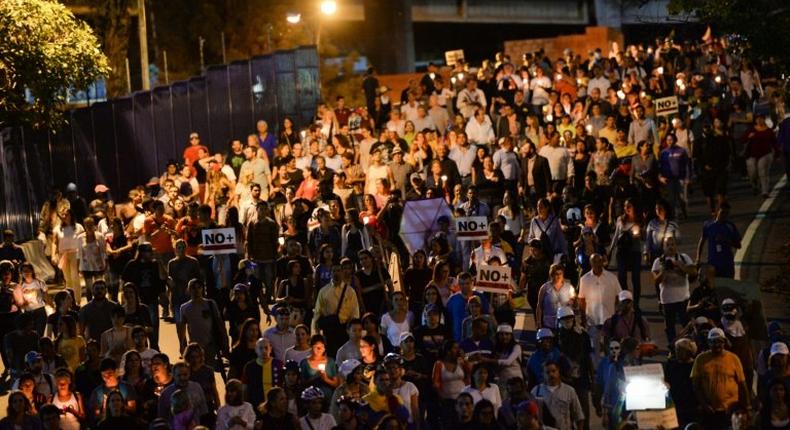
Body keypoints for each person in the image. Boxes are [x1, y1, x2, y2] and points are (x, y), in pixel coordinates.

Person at [691, 327, 752, 428]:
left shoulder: (733, 358)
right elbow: (696, 386)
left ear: (724, 342)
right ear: (708, 343)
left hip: (731, 410)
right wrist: (704, 404)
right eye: (713, 342)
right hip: (710, 411)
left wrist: (748, 407)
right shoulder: (700, 359)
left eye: (719, 341)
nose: (716, 345)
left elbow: (742, 384)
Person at [652, 235, 695, 344]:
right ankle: (672, 347)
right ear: (663, 247)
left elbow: (694, 272)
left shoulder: (684, 258)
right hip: (667, 301)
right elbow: (656, 281)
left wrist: (681, 266)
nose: (670, 247)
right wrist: (664, 270)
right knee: (669, 327)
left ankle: (689, 346)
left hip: (683, 299)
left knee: (687, 325)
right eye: (668, 245)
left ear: (676, 246)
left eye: (672, 244)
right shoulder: (658, 261)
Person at [177, 278, 229, 369]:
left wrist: (225, 340)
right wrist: (181, 345)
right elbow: (182, 328)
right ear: (189, 290)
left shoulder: (210, 304)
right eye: (193, 288)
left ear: (202, 289)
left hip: (210, 344)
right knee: (195, 369)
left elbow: (220, 323)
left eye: (199, 287)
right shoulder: (184, 308)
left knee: (208, 369)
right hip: (194, 346)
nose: (196, 290)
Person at [577, 254, 621, 360]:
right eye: (594, 262)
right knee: (594, 348)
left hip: (609, 320)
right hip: (592, 320)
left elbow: (618, 296)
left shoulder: (612, 278)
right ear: (591, 263)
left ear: (603, 262)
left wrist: (617, 315)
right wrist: (583, 319)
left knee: (610, 347)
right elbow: (581, 300)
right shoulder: (584, 279)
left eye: (599, 261)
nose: (597, 264)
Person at [312, 265, 360, 357]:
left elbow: (355, 311)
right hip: (329, 329)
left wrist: (352, 329)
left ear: (342, 273)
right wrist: (316, 332)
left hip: (344, 329)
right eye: (333, 271)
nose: (336, 273)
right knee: (331, 355)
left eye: (338, 271)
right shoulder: (323, 291)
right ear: (330, 273)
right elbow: (317, 312)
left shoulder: (350, 291)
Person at [531, 360, 584, 430]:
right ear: (543, 374)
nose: (551, 375)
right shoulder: (536, 391)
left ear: (558, 371)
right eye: (547, 372)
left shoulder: (569, 391)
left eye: (553, 371)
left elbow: (579, 415)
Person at [695, 202, 741, 279]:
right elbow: (702, 241)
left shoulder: (730, 226)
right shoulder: (708, 225)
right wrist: (698, 259)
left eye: (727, 213)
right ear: (717, 211)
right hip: (713, 264)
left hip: (727, 265)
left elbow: (738, 245)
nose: (724, 215)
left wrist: (726, 240)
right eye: (722, 212)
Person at [87, 358, 137, 424]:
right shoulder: (97, 392)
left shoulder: (126, 388)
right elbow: (95, 415)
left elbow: (133, 409)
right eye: (104, 376)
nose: (107, 378)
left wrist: (118, 405)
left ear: (116, 372)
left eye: (109, 374)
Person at [158, 361, 208, 426]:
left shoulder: (197, 387)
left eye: (185, 374)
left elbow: (203, 410)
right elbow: (162, 417)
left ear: (189, 374)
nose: (182, 378)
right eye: (179, 375)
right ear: (173, 375)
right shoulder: (166, 393)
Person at [242, 337, 283, 409]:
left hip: (276, 407)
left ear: (270, 349)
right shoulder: (250, 367)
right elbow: (245, 389)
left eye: (266, 348)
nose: (264, 351)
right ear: (256, 350)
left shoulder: (278, 364)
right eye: (260, 348)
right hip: (256, 406)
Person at [536, 264, 575, 330]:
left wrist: (573, 301)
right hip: (549, 324)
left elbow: (574, 303)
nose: (559, 276)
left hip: (564, 324)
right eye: (556, 274)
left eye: (560, 274)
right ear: (551, 275)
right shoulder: (545, 288)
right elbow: (539, 306)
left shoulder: (569, 287)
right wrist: (539, 322)